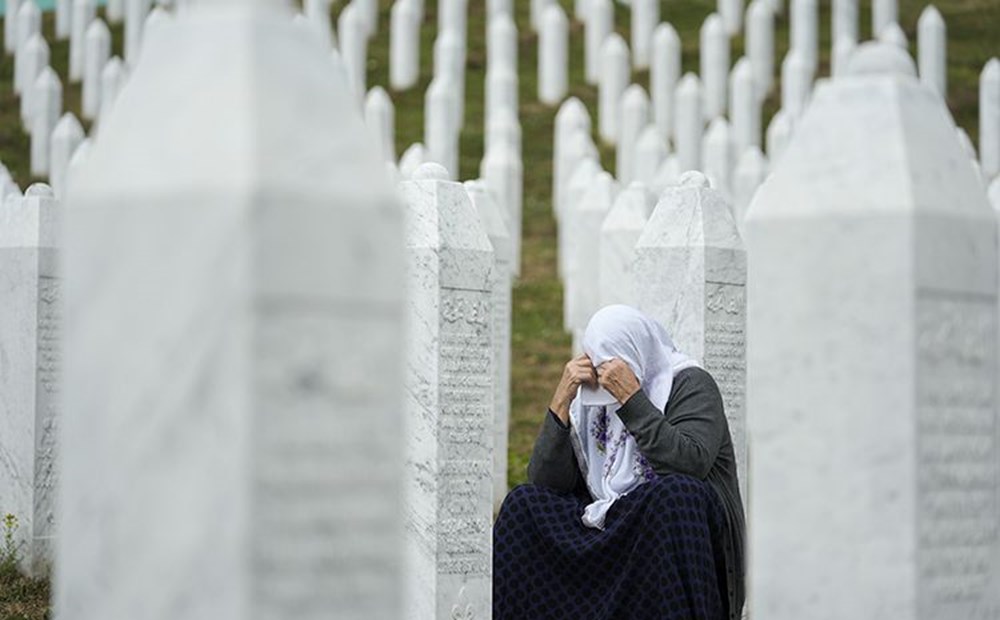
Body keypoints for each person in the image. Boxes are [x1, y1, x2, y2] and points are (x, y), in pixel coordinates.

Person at [493, 305, 745, 620]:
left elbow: (689, 465)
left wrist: (631, 398)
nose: (606, 381)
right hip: (614, 524)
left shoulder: (690, 384)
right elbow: (546, 481)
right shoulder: (590, 399)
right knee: (524, 503)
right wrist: (561, 401)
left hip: (669, 527)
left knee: (675, 495)